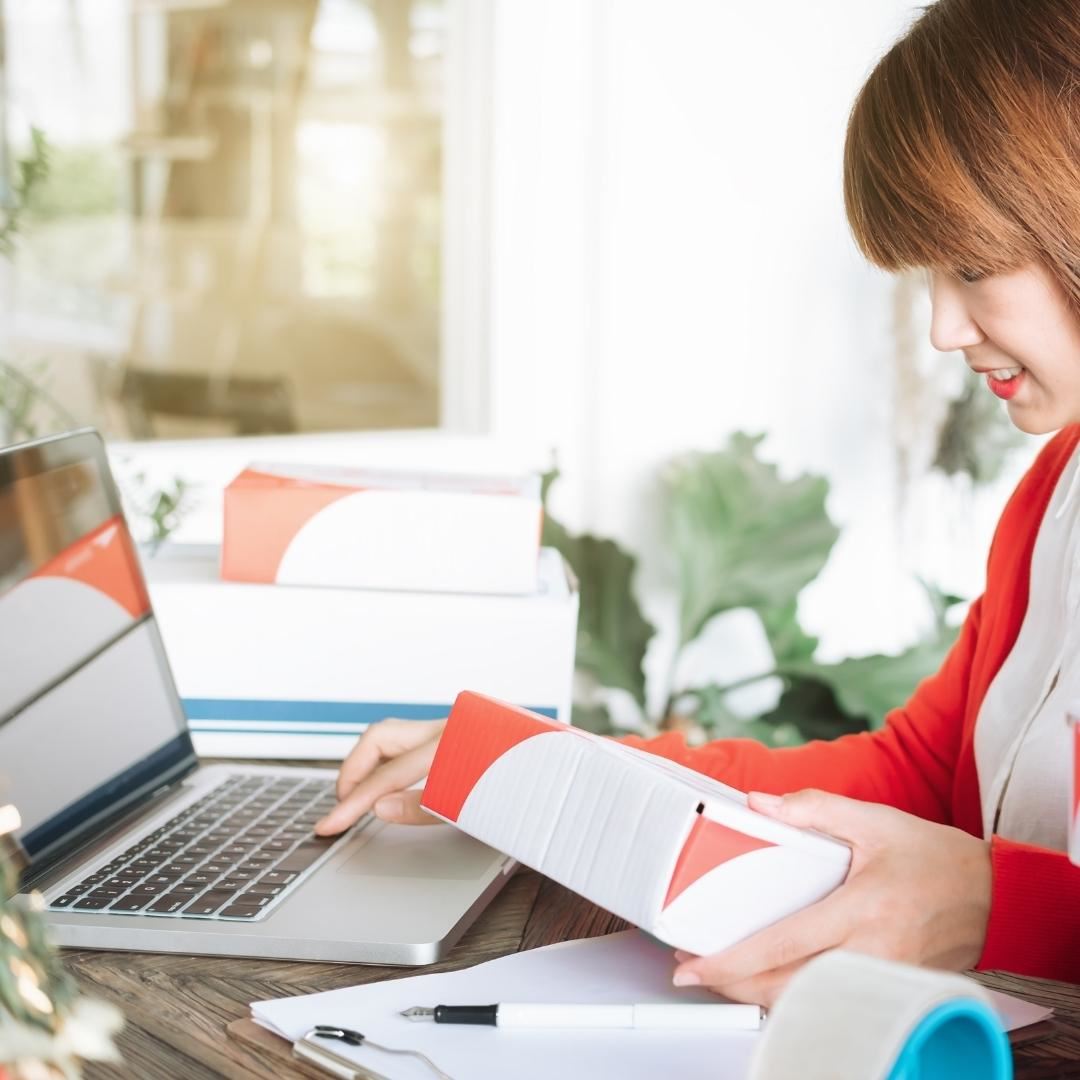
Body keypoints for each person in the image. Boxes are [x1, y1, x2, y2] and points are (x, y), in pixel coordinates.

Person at [316, 0, 1080, 1006]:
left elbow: (989, 872)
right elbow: (916, 777)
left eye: (973, 268)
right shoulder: (1054, 492)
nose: (943, 325)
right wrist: (565, 772)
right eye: (932, 274)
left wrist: (998, 902)